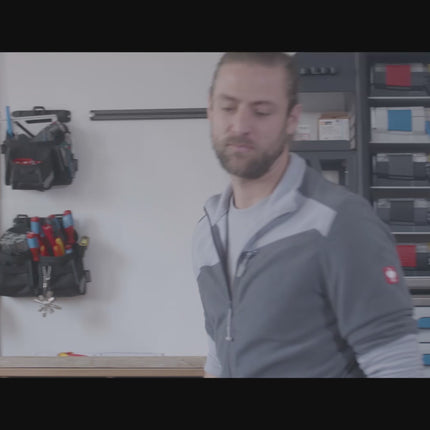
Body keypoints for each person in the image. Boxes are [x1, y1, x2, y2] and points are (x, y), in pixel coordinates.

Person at [192, 52, 424, 378]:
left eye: (261, 111)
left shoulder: (340, 223)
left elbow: (396, 368)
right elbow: (218, 357)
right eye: (228, 107)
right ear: (210, 110)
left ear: (291, 119)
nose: (241, 125)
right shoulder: (208, 232)